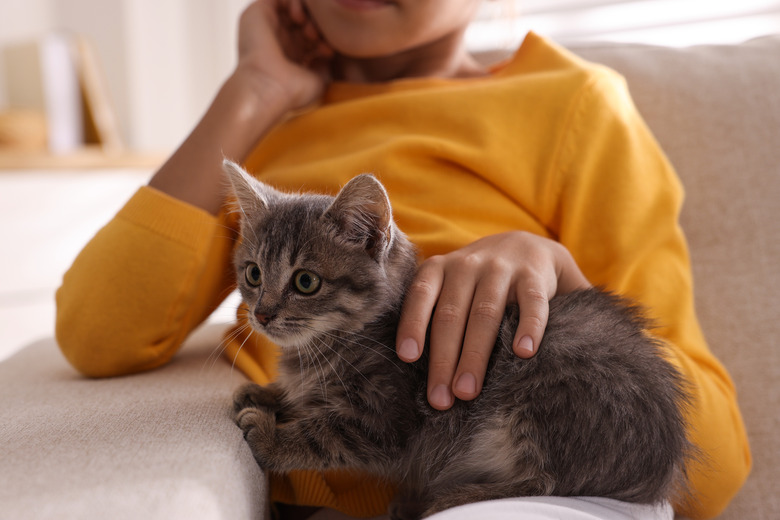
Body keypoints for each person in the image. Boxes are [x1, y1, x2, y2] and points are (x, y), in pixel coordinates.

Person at [55, 1, 750, 519]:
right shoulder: (269, 131)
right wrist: (255, 89)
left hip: (548, 476)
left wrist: (557, 274)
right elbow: (97, 333)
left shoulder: (574, 104)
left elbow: (709, 465)